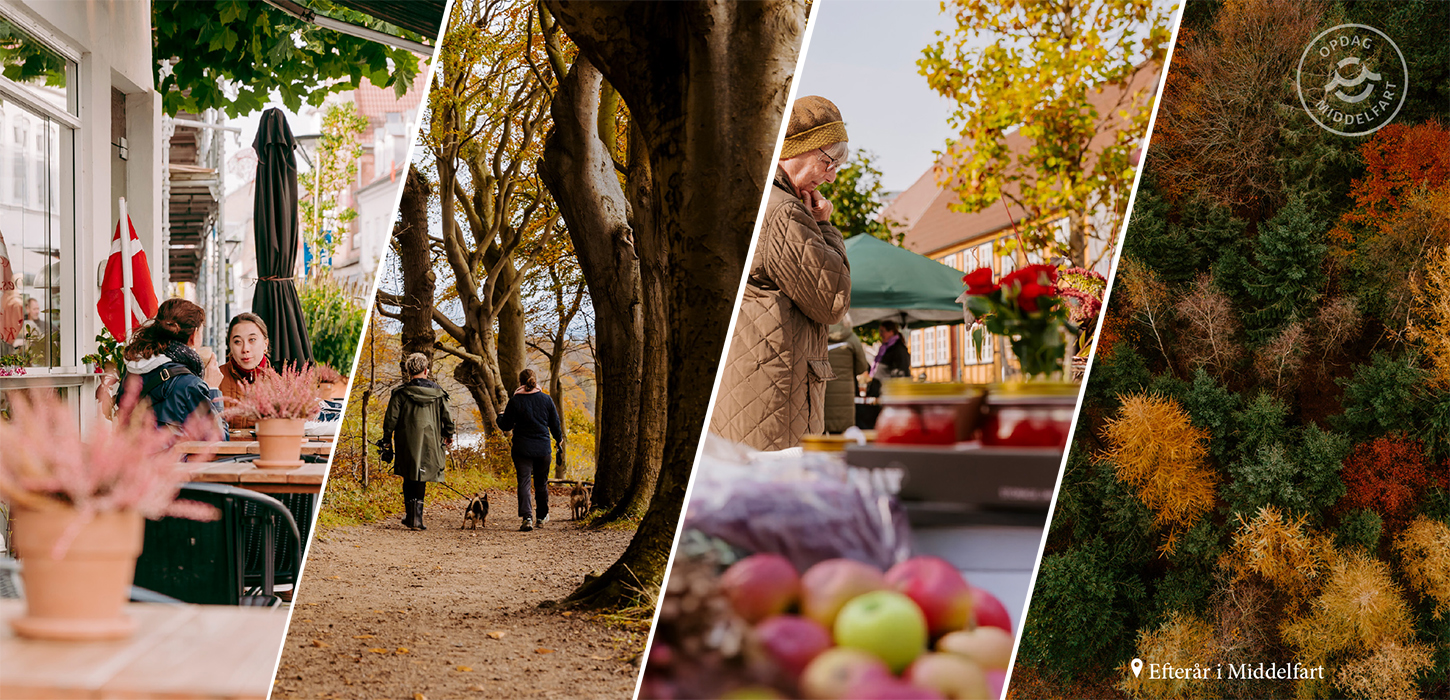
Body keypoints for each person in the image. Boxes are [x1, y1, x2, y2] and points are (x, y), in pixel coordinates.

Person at [711, 95, 852, 450]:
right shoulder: (783, 212)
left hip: (753, 391)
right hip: (773, 404)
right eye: (829, 161)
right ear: (795, 151)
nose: (832, 176)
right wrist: (825, 227)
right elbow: (832, 299)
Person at [115, 298, 225, 432]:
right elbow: (218, 439)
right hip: (173, 453)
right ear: (194, 335)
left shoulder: (133, 368)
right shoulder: (190, 384)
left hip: (128, 452)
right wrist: (212, 389)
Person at [382, 353, 455, 531]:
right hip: (431, 439)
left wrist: (386, 439)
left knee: (409, 474)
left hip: (406, 439)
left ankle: (411, 516)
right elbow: (448, 418)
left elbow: (390, 419)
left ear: (408, 371)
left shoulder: (400, 393)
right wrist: (448, 434)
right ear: (425, 370)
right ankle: (417, 519)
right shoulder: (438, 393)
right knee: (422, 475)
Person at [497, 368, 562, 532]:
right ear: (535, 381)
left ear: (520, 382)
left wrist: (500, 416)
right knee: (541, 483)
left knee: (524, 483)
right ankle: (541, 516)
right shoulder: (546, 399)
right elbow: (555, 424)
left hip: (522, 448)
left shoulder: (515, 401)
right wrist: (559, 440)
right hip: (543, 448)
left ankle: (527, 518)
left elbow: (506, 425)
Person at [218, 313, 274, 432]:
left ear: (265, 344)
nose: (245, 349)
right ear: (230, 346)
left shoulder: (281, 387)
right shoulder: (215, 379)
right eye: (237, 342)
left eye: (252, 340)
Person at [825, 317, 869, 433]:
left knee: (820, 433)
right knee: (842, 435)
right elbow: (862, 367)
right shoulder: (852, 338)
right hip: (845, 395)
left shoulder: (817, 336)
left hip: (823, 392)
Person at [866, 320, 912, 397]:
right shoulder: (885, 348)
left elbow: (901, 372)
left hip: (889, 392)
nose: (880, 334)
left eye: (882, 331)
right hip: (881, 389)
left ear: (891, 332)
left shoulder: (898, 349)